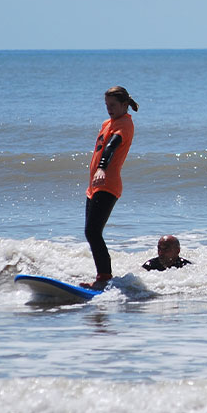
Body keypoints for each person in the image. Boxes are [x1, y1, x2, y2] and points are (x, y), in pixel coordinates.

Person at [82, 86, 138, 291]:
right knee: (91, 232)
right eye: (106, 105)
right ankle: (102, 276)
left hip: (108, 183)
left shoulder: (125, 124)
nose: (109, 109)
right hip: (95, 186)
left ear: (124, 105)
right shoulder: (108, 123)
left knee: (93, 231)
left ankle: (104, 278)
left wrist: (102, 168)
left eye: (113, 105)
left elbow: (111, 146)